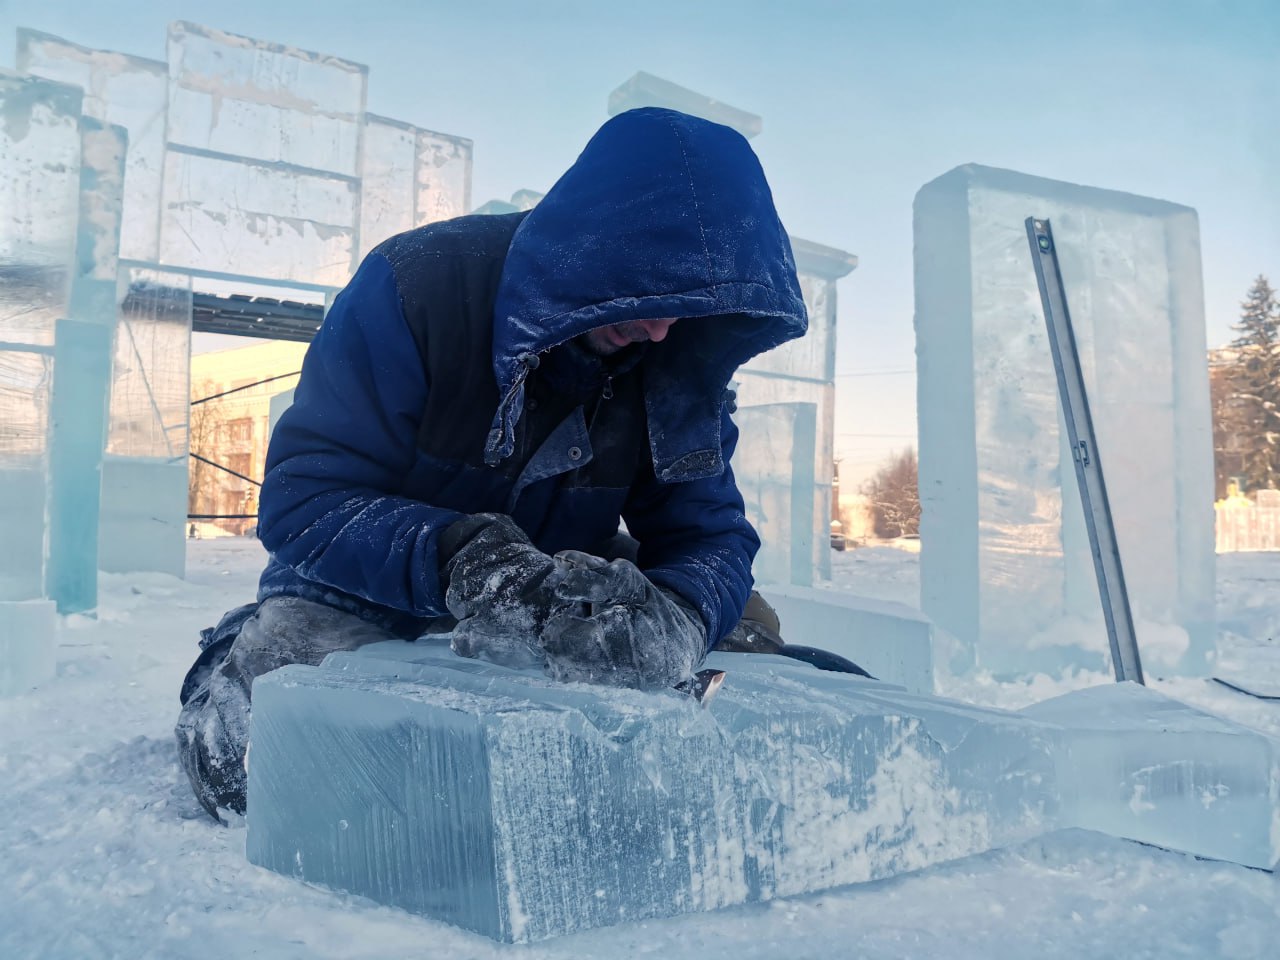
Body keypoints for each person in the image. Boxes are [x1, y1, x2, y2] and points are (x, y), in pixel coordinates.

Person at [175, 106, 806, 821]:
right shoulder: (417, 289)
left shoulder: (674, 356)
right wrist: (467, 561)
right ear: (602, 245)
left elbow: (710, 535)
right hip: (367, 578)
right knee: (259, 773)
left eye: (686, 307)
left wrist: (683, 616)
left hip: (568, 584)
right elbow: (304, 500)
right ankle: (237, 644)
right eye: (655, 291)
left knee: (750, 638)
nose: (663, 327)